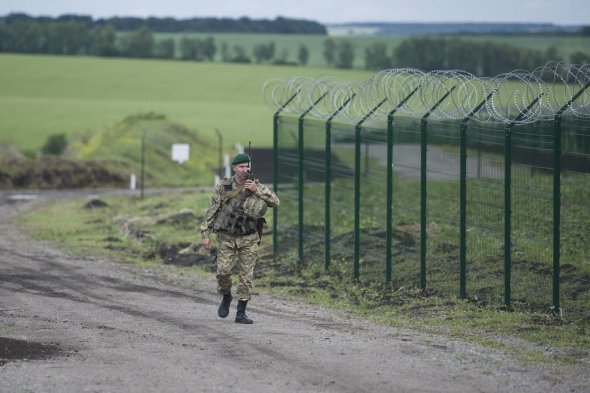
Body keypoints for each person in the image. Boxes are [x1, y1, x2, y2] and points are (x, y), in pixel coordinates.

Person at [200, 153, 279, 324]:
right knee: (223, 272)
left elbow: (275, 202)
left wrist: (256, 191)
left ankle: (241, 312)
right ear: (234, 168)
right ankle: (226, 296)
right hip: (226, 237)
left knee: (246, 276)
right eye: (241, 167)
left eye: (247, 166)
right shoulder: (225, 186)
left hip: (249, 238)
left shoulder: (256, 186)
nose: (245, 170)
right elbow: (212, 209)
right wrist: (205, 234)